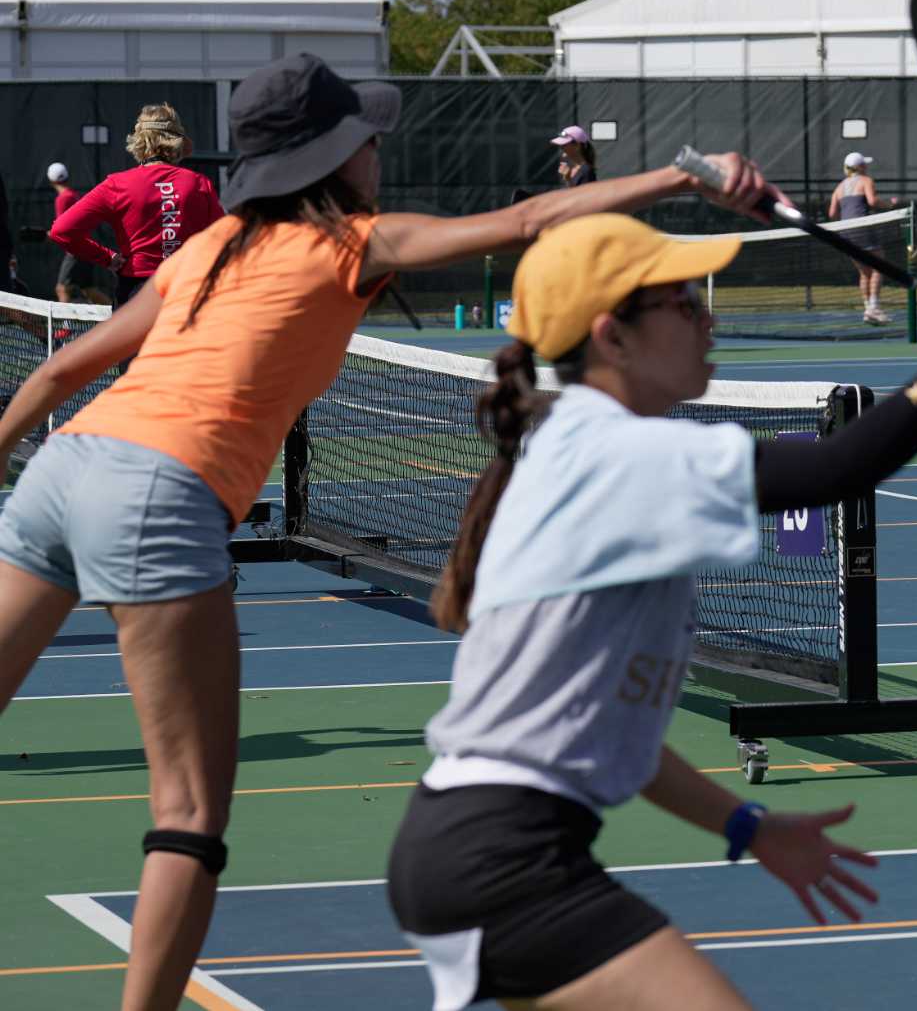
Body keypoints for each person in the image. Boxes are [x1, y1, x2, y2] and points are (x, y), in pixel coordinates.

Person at [0, 54, 772, 1011]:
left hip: (62, 469)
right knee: (189, 820)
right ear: (335, 157)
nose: (378, 148)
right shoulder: (353, 243)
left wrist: (1, 448)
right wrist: (686, 175)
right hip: (157, 492)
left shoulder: (212, 245)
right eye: (366, 136)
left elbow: (57, 372)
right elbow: (532, 222)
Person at [384, 186, 917, 1010]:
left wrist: (749, 827)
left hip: (471, 848)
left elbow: (609, 737)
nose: (706, 318)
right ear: (612, 336)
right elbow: (840, 469)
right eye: (680, 303)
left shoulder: (574, 451)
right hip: (504, 857)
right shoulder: (617, 454)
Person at [48, 104, 224, 304]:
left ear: (139, 141)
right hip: (188, 292)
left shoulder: (117, 184)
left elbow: (61, 231)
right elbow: (226, 237)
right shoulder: (199, 183)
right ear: (177, 143)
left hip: (136, 294)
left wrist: (107, 258)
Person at [827, 152, 898, 326]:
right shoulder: (866, 181)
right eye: (864, 165)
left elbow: (832, 214)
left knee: (864, 273)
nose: (867, 167)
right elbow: (873, 201)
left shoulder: (839, 188)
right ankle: (874, 308)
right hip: (863, 229)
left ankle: (868, 309)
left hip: (846, 233)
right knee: (878, 268)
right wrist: (890, 204)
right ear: (860, 167)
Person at [46, 163, 109, 306]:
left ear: (51, 181)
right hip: (86, 246)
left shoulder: (62, 198)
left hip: (76, 250)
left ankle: (65, 328)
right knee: (89, 290)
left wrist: (48, 235)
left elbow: (63, 230)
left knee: (62, 289)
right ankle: (118, 314)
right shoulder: (74, 195)